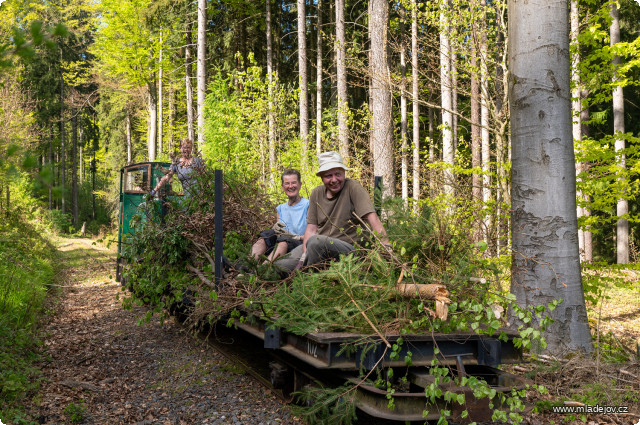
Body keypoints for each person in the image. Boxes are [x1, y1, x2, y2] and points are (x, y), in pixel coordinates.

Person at [275, 151, 388, 273]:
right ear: (322, 177)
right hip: (318, 245)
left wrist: (387, 249)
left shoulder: (353, 188)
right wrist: (304, 256)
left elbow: (373, 219)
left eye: (338, 174)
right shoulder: (317, 194)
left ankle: (309, 281)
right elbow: (311, 229)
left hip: (349, 250)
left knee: (316, 242)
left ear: (344, 173)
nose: (334, 180)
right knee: (279, 267)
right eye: (329, 176)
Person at [250, 169, 309, 262]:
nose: (290, 186)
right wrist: (276, 231)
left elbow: (314, 233)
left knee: (284, 242)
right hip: (281, 243)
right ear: (282, 186)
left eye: (293, 183)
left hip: (300, 245)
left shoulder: (308, 205)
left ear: (300, 185)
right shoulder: (280, 208)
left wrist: (296, 237)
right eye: (287, 183)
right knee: (266, 236)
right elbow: (279, 233)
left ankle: (263, 270)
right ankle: (248, 265)